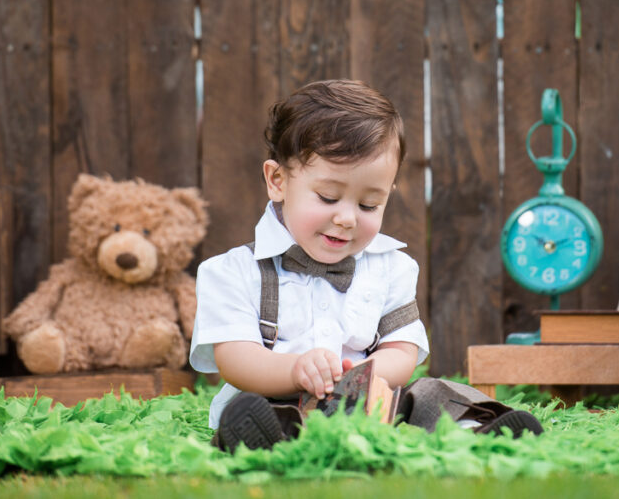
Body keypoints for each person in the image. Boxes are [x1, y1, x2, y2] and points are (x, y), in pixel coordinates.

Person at [190, 79, 543, 452]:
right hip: (278, 398)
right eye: (328, 197)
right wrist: (294, 370)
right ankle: (262, 438)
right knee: (257, 409)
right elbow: (234, 359)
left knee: (430, 393)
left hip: (368, 403)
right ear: (278, 180)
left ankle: (482, 426)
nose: (347, 218)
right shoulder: (231, 271)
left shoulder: (391, 268)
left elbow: (402, 350)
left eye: (368, 205)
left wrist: (364, 377)